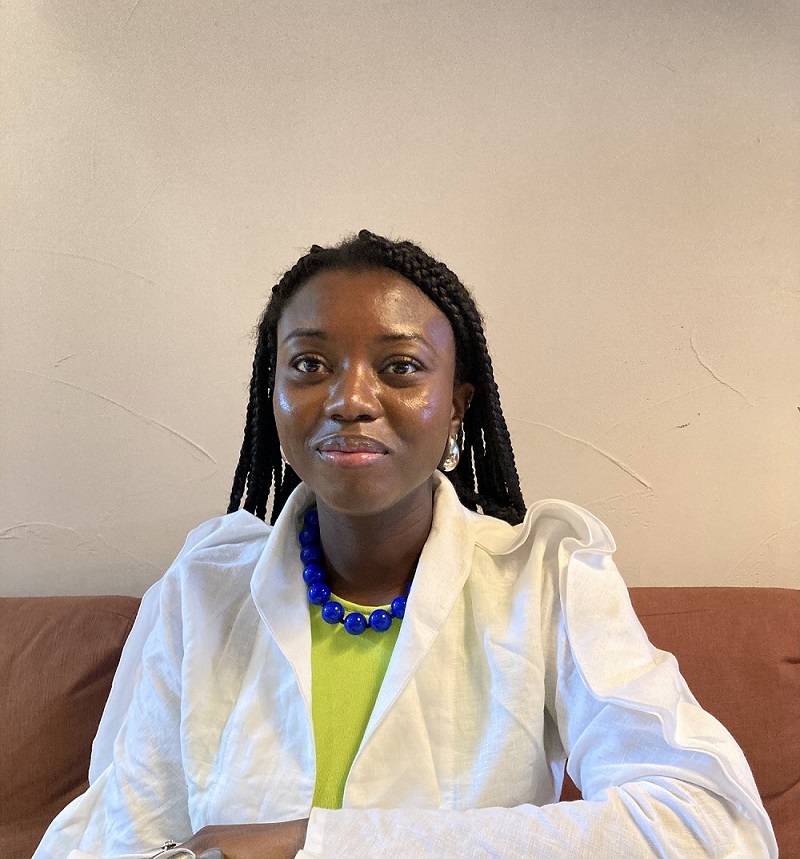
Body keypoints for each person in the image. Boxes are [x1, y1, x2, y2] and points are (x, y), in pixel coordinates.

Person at [35, 230, 777, 858]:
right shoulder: (202, 590)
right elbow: (112, 835)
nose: (351, 398)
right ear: (275, 394)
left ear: (457, 404)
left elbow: (713, 824)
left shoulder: (546, 580)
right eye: (310, 363)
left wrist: (312, 843)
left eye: (400, 366)